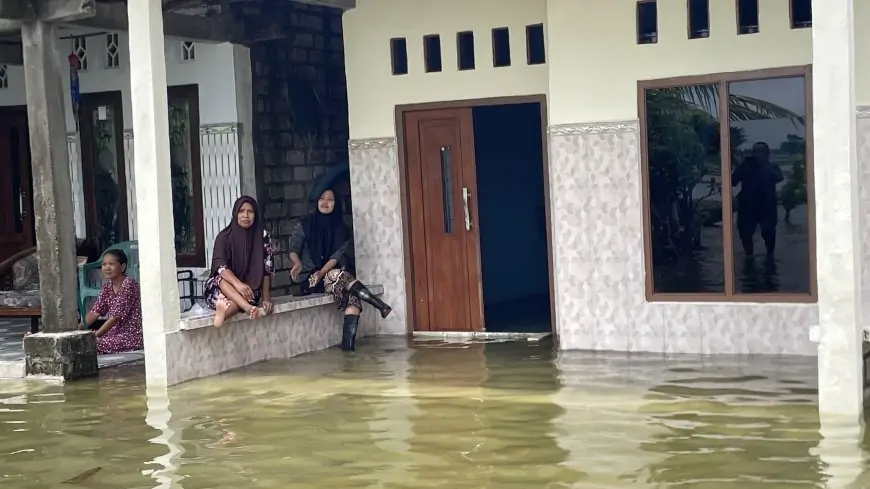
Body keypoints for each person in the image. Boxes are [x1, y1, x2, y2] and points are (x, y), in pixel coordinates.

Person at [289, 188, 391, 351]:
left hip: (330, 275)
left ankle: (348, 350)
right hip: (310, 277)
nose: (325, 202)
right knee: (339, 275)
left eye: (330, 199)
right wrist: (297, 264)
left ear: (336, 205)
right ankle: (379, 305)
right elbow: (293, 248)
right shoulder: (305, 224)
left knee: (353, 301)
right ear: (317, 201)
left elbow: (335, 257)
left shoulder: (341, 229)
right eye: (322, 198)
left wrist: (321, 272)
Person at [204, 196, 275, 327]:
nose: (245, 215)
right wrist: (238, 284)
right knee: (222, 281)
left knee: (239, 299)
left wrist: (266, 299)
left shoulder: (262, 236)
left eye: (250, 211)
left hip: (249, 289)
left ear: (255, 214)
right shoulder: (224, 237)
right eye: (241, 211)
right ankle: (248, 308)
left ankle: (223, 313)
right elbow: (220, 267)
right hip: (220, 289)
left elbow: (266, 269)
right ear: (235, 214)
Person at [78, 249, 143, 354]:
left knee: (90, 344)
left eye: (111, 264)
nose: (107, 268)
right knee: (81, 340)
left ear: (122, 267)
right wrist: (76, 330)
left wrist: (95, 337)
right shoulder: (108, 286)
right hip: (113, 333)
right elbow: (94, 312)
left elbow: (115, 318)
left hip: (130, 336)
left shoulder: (128, 284)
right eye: (104, 264)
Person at [732, 141, 784, 256]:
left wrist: (764, 165)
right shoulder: (746, 166)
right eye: (755, 152)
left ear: (767, 154)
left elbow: (779, 178)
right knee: (745, 233)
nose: (757, 154)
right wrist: (741, 165)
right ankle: (749, 257)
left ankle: (770, 257)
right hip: (747, 206)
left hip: (767, 206)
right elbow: (733, 181)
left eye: (760, 152)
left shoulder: (772, 167)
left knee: (769, 233)